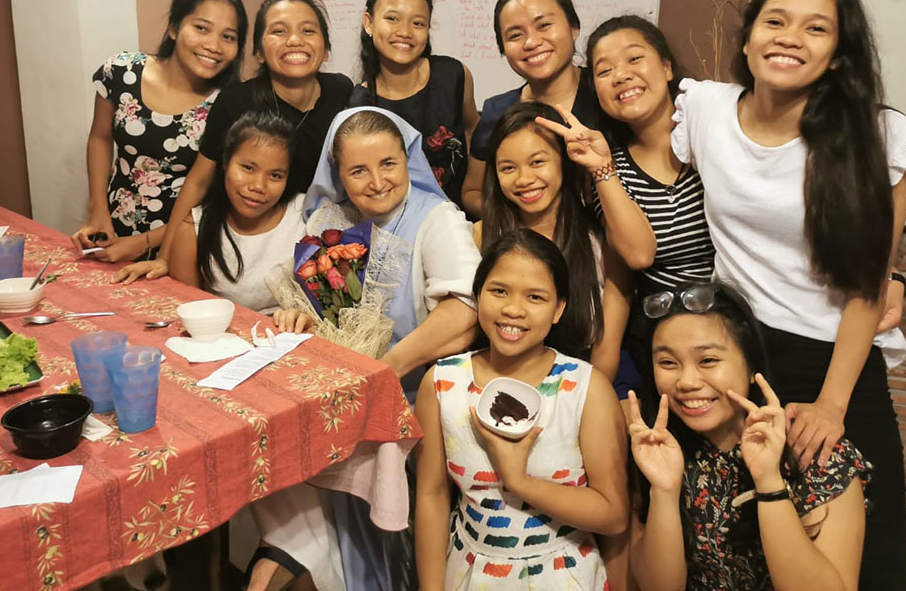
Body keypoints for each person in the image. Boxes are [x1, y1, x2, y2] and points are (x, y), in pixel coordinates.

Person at [670, 0, 906, 589]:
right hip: (737, 358)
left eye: (817, 28)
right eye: (776, 21)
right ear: (749, 35)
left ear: (839, 55)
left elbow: (870, 282)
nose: (791, 37)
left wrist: (833, 404)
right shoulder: (705, 109)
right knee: (741, 556)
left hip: (836, 364)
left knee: (870, 564)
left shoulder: (879, 137)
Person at [254, 106, 482, 591]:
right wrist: (296, 316)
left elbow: (465, 313)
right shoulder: (329, 219)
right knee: (342, 528)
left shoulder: (435, 219)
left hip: (420, 412)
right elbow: (311, 303)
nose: (377, 182)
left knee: (414, 537)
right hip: (346, 412)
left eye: (388, 165)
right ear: (338, 172)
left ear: (408, 162)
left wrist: (382, 370)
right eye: (358, 170)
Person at [414, 228, 629, 589]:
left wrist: (520, 482)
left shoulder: (585, 388)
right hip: (469, 572)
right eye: (499, 291)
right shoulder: (442, 382)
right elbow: (432, 496)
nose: (513, 309)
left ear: (559, 309)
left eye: (535, 297)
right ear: (478, 295)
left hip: (565, 576)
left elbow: (613, 515)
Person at [628, 282, 868, 591]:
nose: (686, 381)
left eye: (708, 360)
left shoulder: (816, 453)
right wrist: (663, 490)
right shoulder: (656, 452)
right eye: (668, 363)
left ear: (750, 362)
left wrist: (769, 482)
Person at [116, 0, 353, 283]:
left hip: (314, 239)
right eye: (279, 31)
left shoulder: (341, 92)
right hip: (246, 242)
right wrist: (166, 254)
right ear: (259, 53)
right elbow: (200, 180)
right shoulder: (237, 102)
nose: (294, 40)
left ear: (326, 48)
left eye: (308, 30)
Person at [560, 15, 716, 381]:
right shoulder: (607, 168)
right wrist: (599, 379)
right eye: (604, 70)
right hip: (662, 334)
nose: (621, 75)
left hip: (740, 324)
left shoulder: (714, 136)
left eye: (634, 59)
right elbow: (630, 262)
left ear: (666, 67)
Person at [70, 0, 247, 262]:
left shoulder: (230, 103)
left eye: (228, 36)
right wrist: (97, 210)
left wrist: (143, 244)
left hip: (183, 245)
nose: (213, 45)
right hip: (113, 228)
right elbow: (100, 138)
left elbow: (210, 194)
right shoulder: (121, 71)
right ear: (175, 28)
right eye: (201, 28)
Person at [473, 102, 609, 379]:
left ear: (564, 158)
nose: (524, 179)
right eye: (508, 168)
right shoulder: (479, 237)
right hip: (498, 376)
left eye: (537, 162)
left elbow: (606, 350)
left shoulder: (598, 238)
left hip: (583, 379)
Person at [460, 0, 604, 216]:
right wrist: (520, 219)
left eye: (544, 25)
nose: (532, 42)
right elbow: (472, 192)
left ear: (574, 27)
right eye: (515, 35)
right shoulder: (498, 112)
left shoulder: (606, 97)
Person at [348, 0, 479, 211]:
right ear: (369, 23)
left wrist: (476, 196)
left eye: (417, 23)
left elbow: (474, 132)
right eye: (392, 19)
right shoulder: (360, 106)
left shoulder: (454, 75)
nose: (405, 32)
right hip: (399, 227)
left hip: (461, 217)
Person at [168, 112, 305, 313]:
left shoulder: (307, 218)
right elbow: (188, 313)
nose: (258, 186)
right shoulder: (193, 231)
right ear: (225, 162)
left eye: (275, 175)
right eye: (248, 168)